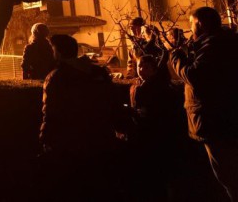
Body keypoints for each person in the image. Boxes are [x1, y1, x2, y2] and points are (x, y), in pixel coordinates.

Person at [170, 6, 238, 201]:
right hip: (223, 118)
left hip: (216, 121)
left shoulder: (215, 46)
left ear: (199, 23)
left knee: (228, 175)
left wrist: (177, 57)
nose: (190, 29)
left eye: (191, 24)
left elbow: (195, 75)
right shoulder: (223, 42)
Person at [39, 34, 117, 201]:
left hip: (71, 143)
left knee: (74, 187)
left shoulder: (56, 77)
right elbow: (111, 102)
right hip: (100, 139)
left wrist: (45, 138)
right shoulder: (98, 73)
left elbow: (51, 112)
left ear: (58, 52)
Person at [127, 55, 186, 200]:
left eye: (146, 67)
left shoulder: (156, 88)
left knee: (157, 173)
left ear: (154, 70)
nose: (141, 70)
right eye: (140, 66)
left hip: (155, 135)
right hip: (151, 134)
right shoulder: (142, 85)